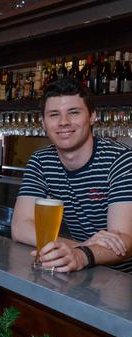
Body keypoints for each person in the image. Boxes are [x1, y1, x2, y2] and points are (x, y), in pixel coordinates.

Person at [12, 78, 132, 273]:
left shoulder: (121, 161)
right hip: (80, 274)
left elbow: (125, 241)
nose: (64, 122)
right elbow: (20, 227)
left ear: (92, 116)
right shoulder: (41, 162)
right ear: (43, 122)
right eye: (54, 115)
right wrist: (79, 247)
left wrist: (81, 254)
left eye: (74, 113)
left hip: (122, 280)